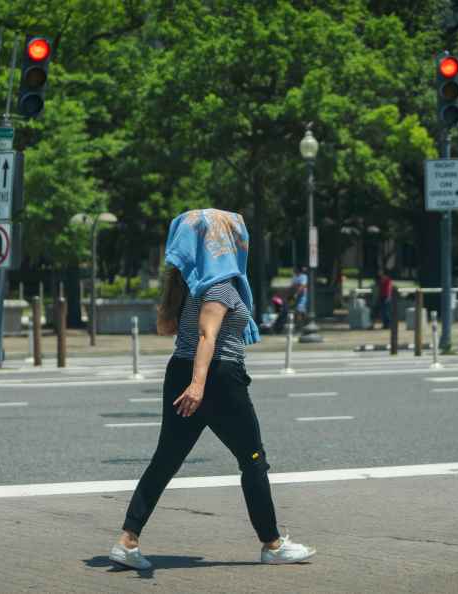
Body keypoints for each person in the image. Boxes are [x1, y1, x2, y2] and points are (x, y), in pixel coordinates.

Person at [110, 209, 316, 570]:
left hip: (183, 372)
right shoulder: (220, 284)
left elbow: (168, 328)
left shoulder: (190, 282)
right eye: (236, 238)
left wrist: (191, 380)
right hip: (218, 379)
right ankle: (272, 544)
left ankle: (127, 541)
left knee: (166, 460)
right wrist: (198, 385)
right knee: (253, 460)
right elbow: (208, 334)